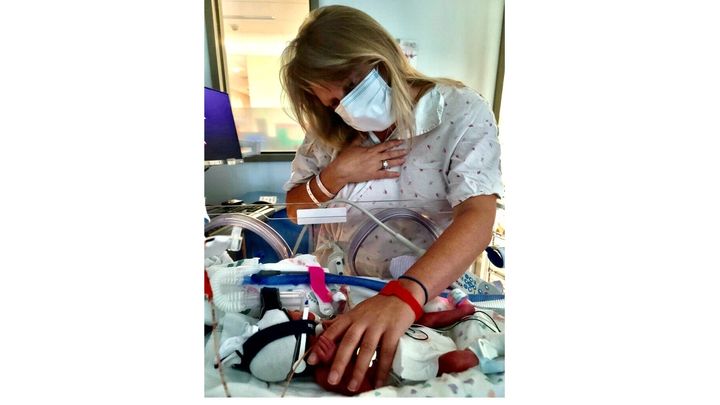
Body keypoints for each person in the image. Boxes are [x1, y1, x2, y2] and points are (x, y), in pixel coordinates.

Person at [279, 5, 503, 394]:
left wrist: (405, 294)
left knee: (446, 361)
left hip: (431, 290)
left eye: (350, 85)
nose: (345, 107)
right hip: (343, 288)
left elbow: (478, 216)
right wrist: (338, 173)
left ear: (379, 54)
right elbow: (296, 211)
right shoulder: (328, 135)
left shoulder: (459, 111)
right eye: (332, 102)